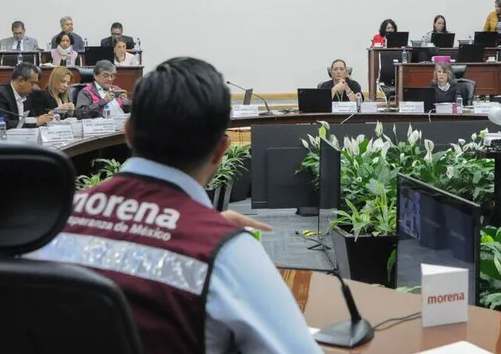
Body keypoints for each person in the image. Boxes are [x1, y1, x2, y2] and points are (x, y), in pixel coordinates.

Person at [31, 57, 321, 353]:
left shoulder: (47, 223)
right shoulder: (226, 253)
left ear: (128, 132)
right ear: (221, 150)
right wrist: (207, 230)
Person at [0, 63, 53, 131]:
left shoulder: (27, 96)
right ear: (20, 80)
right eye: (32, 83)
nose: (34, 87)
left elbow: (31, 118)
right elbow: (4, 124)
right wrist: (35, 122)